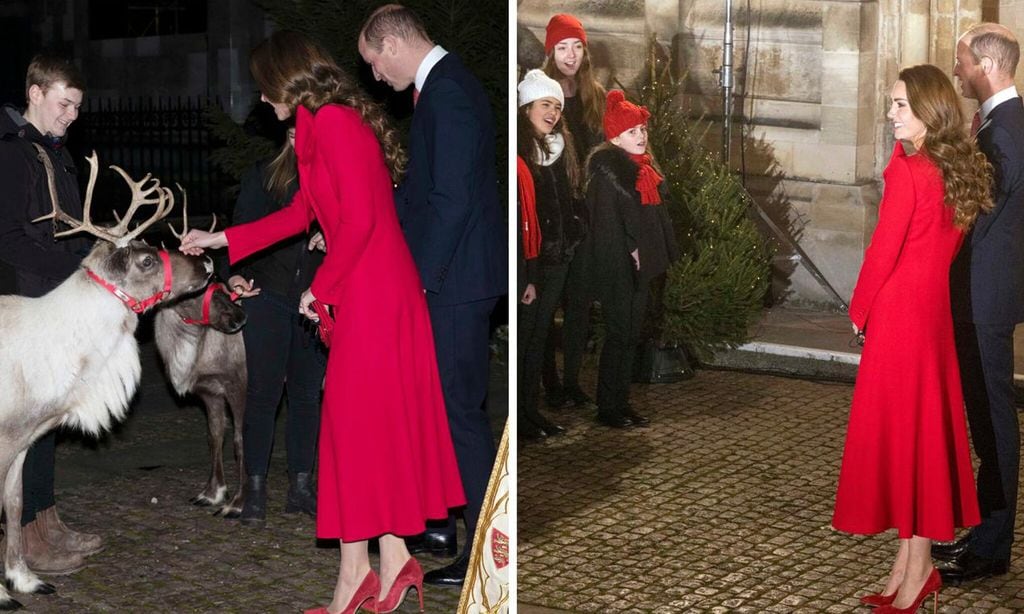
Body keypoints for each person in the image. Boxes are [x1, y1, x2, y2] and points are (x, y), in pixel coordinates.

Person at [179, 30, 465, 614]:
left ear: (285, 79)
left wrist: (320, 288)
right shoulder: (314, 126)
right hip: (365, 287)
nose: (261, 100)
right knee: (365, 431)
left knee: (351, 428)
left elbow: (360, 223)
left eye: (264, 87)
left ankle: (355, 577)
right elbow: (302, 213)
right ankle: (391, 561)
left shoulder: (334, 123)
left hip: (376, 293)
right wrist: (223, 238)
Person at [832, 64, 992, 612]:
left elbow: (883, 250)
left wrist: (858, 309)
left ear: (927, 110)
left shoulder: (912, 171)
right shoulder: (954, 167)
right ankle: (908, 566)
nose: (891, 114)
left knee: (906, 440)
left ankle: (917, 569)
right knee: (918, 441)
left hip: (900, 315)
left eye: (900, 105)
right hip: (932, 314)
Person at [358, 4, 506, 587]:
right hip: (459, 278)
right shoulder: (447, 86)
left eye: (373, 63)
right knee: (450, 413)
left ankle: (490, 552)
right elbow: (423, 194)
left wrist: (420, 279)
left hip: (456, 282)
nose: (376, 77)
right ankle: (467, 531)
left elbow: (450, 203)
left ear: (392, 45)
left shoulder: (446, 94)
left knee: (461, 416)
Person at [0, 54, 101, 575]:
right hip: (30, 303)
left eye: (77, 107)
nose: (71, 115)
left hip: (56, 300)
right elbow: (11, 240)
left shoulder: (57, 155)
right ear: (35, 92)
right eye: (65, 103)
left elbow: (70, 228)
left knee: (49, 419)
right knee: (27, 425)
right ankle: (26, 532)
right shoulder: (15, 156)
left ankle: (46, 516)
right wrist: (77, 264)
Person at [933, 22, 1024, 586]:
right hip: (987, 293)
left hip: (984, 297)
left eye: (961, 60)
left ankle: (992, 546)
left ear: (986, 65)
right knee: (987, 421)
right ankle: (986, 531)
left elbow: (976, 211)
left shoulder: (1004, 134)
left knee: (991, 424)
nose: (958, 69)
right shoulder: (1003, 123)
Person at [227, 124, 328, 526]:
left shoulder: (334, 177)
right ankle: (254, 489)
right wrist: (234, 274)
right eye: (293, 132)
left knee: (306, 394)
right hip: (267, 297)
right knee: (263, 394)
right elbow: (240, 231)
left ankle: (301, 487)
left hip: (315, 301)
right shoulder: (264, 176)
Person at [584, 90, 678, 428]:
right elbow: (606, 226)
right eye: (632, 132)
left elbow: (654, 219)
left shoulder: (645, 171)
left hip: (641, 270)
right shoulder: (608, 175)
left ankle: (621, 402)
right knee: (619, 335)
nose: (640, 137)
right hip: (618, 270)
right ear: (615, 138)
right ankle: (608, 407)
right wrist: (630, 250)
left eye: (642, 130)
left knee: (630, 336)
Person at [540, 13, 606, 410]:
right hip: (554, 214)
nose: (570, 55)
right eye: (562, 47)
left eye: (576, 46)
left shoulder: (595, 95)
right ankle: (548, 382)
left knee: (580, 302)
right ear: (551, 51)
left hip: (586, 214)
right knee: (548, 303)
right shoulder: (540, 95)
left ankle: (571, 381)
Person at [516, 69, 584, 440]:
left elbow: (571, 198)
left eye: (557, 106)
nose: (553, 112)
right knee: (526, 339)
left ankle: (531, 409)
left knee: (541, 336)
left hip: (557, 258)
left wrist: (574, 231)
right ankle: (521, 413)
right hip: (531, 260)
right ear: (526, 107)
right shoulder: (522, 152)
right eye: (546, 104)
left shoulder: (560, 147)